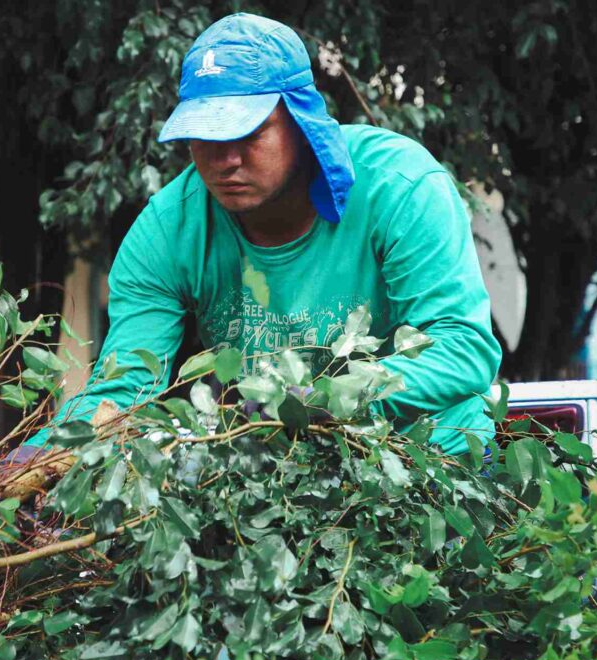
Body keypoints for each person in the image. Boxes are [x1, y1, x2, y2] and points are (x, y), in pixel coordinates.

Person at [31, 12, 501, 458]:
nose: (224, 160)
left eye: (247, 133)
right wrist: (30, 460)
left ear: (302, 122)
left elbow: (462, 349)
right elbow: (122, 395)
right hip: (279, 481)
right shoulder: (168, 230)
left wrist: (327, 399)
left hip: (432, 466)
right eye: (205, 136)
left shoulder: (398, 187)